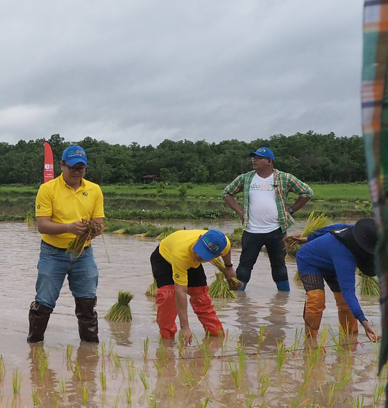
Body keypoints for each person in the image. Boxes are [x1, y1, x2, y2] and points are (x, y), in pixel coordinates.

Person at [27, 145, 104, 344]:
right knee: (44, 302)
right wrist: (69, 228)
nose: (77, 172)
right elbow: (42, 226)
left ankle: (89, 351)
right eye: (72, 168)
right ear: (62, 165)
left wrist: (89, 232)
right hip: (52, 253)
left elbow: (99, 224)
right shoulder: (48, 189)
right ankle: (35, 347)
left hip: (83, 254)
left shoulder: (94, 190)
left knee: (87, 301)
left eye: (81, 168)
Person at [222, 147, 314, 292]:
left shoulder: (284, 178)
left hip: (276, 230)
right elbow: (227, 193)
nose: (254, 160)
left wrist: (291, 210)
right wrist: (240, 212)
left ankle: (283, 299)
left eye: (258, 158)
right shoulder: (246, 178)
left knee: (279, 266)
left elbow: (307, 192)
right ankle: (238, 300)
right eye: (254, 158)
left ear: (269, 161)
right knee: (245, 266)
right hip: (251, 230)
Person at [288, 219, 379, 341]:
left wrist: (309, 238)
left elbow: (335, 226)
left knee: (345, 304)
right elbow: (348, 292)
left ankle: (350, 340)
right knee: (316, 300)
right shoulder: (345, 256)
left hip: (333, 263)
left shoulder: (360, 232)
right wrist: (364, 322)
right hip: (310, 261)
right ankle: (310, 342)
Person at [151, 229, 236, 344]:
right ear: (199, 238)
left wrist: (229, 267)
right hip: (164, 258)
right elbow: (180, 291)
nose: (198, 255)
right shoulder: (181, 254)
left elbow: (227, 251)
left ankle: (216, 334)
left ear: (218, 255)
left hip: (189, 260)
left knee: (200, 295)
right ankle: (167, 340)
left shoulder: (223, 242)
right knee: (168, 295)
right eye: (199, 250)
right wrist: (185, 327)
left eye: (204, 255)